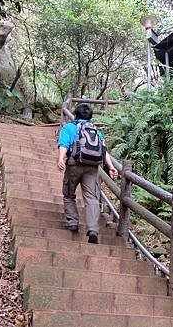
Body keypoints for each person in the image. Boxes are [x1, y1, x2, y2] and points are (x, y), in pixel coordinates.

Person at [57, 104, 118, 244]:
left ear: (75, 115)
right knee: (92, 198)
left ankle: (73, 222)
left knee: (69, 193)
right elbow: (103, 150)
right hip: (93, 167)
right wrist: (111, 166)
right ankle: (93, 230)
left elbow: (64, 144)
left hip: (74, 164)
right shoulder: (96, 131)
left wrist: (61, 158)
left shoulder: (69, 127)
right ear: (90, 117)